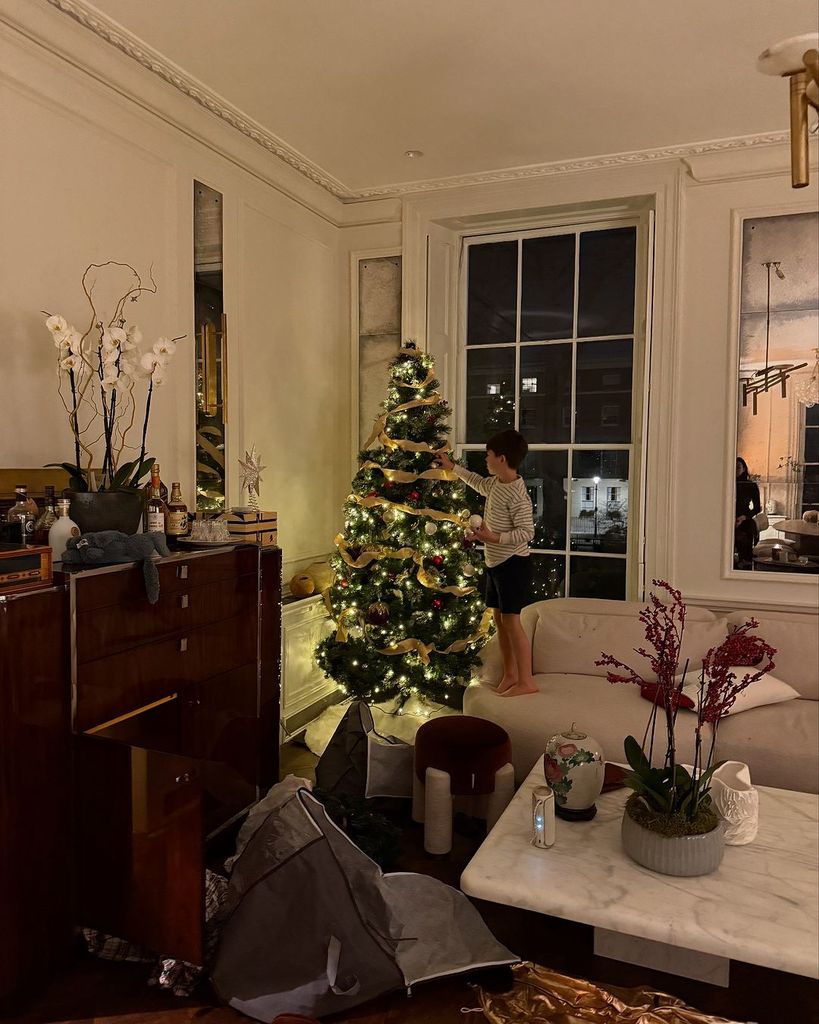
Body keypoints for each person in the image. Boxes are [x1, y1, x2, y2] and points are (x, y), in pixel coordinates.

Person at [439, 430, 536, 697]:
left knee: (512, 622)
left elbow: (527, 532)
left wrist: (492, 537)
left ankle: (526, 681)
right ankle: (510, 674)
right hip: (495, 563)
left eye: (488, 455)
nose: (486, 459)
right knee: (498, 619)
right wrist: (453, 467)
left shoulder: (517, 494)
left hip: (513, 564)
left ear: (501, 459)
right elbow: (477, 482)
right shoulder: (495, 484)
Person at [735, 456, 761, 569]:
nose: (735, 470)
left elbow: (757, 508)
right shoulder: (724, 483)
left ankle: (745, 560)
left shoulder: (751, 485)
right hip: (724, 517)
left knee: (748, 527)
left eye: (738, 467)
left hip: (743, 517)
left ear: (744, 468)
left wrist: (743, 517)